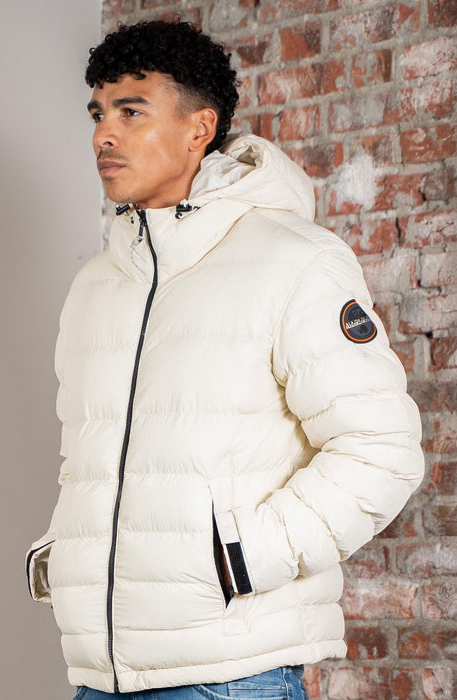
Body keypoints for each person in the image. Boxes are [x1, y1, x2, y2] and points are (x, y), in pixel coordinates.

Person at [26, 19, 424, 700]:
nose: (103, 135)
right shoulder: (96, 285)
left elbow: (382, 451)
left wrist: (235, 559)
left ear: (199, 128)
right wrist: (64, 555)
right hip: (100, 676)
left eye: (131, 112)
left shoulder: (293, 261)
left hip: (232, 678)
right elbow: (93, 462)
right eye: (98, 114)